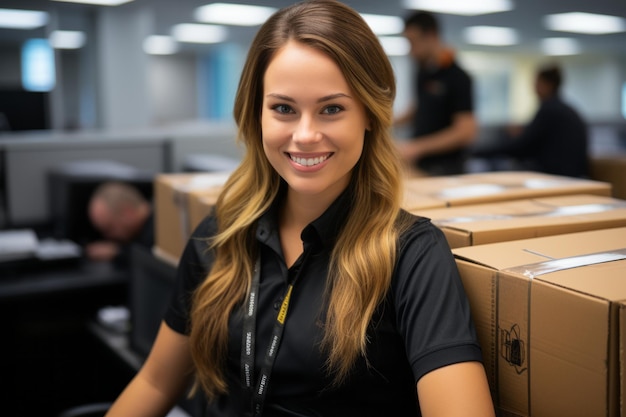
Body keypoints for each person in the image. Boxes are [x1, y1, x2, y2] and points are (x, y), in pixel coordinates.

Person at [105, 1, 494, 416]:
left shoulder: (410, 254)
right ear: (256, 115)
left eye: (331, 108)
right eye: (283, 108)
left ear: (369, 114)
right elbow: (154, 381)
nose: (305, 135)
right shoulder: (220, 235)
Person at [394, 11, 477, 176]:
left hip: (447, 170)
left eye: (413, 42)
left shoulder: (458, 77)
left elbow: (466, 132)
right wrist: (385, 120)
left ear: (431, 35)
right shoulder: (423, 72)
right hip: (421, 166)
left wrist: (416, 147)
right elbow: (420, 108)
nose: (411, 51)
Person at [472, 63, 589, 178]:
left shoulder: (549, 110)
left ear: (546, 85)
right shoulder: (565, 109)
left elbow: (523, 146)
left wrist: (480, 152)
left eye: (536, 82)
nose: (533, 87)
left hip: (556, 177)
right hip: (573, 174)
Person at [86, 181, 154, 264]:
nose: (109, 237)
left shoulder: (159, 231)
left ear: (128, 213)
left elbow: (148, 257)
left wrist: (117, 253)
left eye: (109, 228)